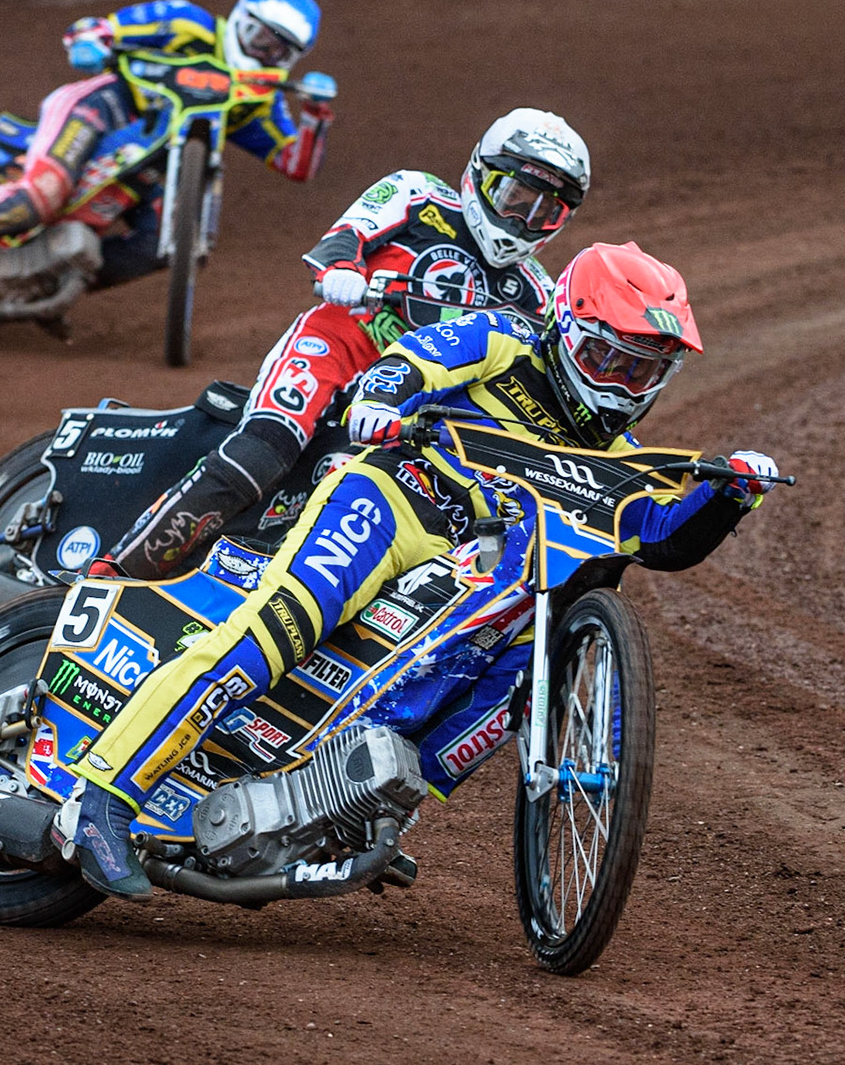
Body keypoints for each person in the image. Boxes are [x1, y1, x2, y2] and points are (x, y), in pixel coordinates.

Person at [57, 241, 783, 898]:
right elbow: (414, 360)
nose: (623, 385)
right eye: (608, 359)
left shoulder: (624, 464)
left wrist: (730, 497)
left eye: (644, 370)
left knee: (498, 667)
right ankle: (101, 799)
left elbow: (664, 541)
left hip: (472, 562)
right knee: (281, 624)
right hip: (394, 498)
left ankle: (342, 800)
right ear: (566, 328)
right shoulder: (505, 337)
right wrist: (381, 398)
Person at [105, 108, 588, 579]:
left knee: (369, 506)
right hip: (337, 346)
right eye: (514, 197)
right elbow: (348, 234)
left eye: (547, 212)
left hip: (411, 408)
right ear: (480, 175)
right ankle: (114, 570)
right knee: (262, 451)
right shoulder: (418, 194)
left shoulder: (536, 296)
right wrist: (341, 271)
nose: (523, 220)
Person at [0, 0, 334, 303]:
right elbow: (102, 28)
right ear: (240, 17)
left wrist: (315, 116)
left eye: (278, 50)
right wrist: (91, 40)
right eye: (258, 36)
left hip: (151, 169)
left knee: (163, 244)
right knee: (44, 192)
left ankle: (42, 284)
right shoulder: (187, 23)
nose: (263, 52)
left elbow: (293, 164)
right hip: (105, 109)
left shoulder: (259, 96)